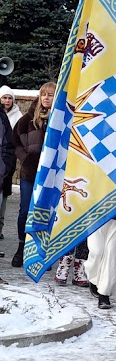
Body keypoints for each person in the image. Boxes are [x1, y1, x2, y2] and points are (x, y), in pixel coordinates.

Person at [11, 81, 55, 268]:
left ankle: (42, 250)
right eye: (44, 94)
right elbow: (14, 140)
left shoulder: (59, 119)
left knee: (45, 212)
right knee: (25, 211)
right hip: (29, 173)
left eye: (50, 95)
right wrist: (25, 158)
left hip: (50, 176)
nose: (46, 98)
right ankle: (22, 247)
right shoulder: (27, 119)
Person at [85, 209, 116, 310]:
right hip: (96, 210)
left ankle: (104, 293)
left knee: (111, 252)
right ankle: (92, 275)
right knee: (96, 251)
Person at [0, 85, 22, 242]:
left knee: (3, 198)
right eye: (4, 97)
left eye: (9, 98)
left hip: (7, 162)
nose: (7, 101)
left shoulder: (18, 117)